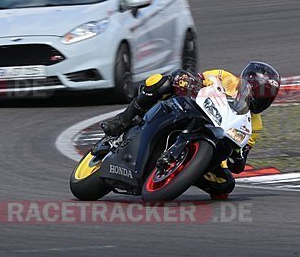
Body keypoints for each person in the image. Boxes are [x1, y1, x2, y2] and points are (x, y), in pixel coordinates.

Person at [101, 62, 281, 199]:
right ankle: (122, 120)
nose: (262, 101)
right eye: (260, 94)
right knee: (161, 82)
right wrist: (187, 81)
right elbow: (199, 79)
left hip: (212, 137)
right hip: (189, 110)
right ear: (246, 85)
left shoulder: (254, 124)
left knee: (225, 185)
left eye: (267, 98)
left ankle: (187, 171)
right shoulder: (226, 78)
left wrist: (238, 154)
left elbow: (239, 164)